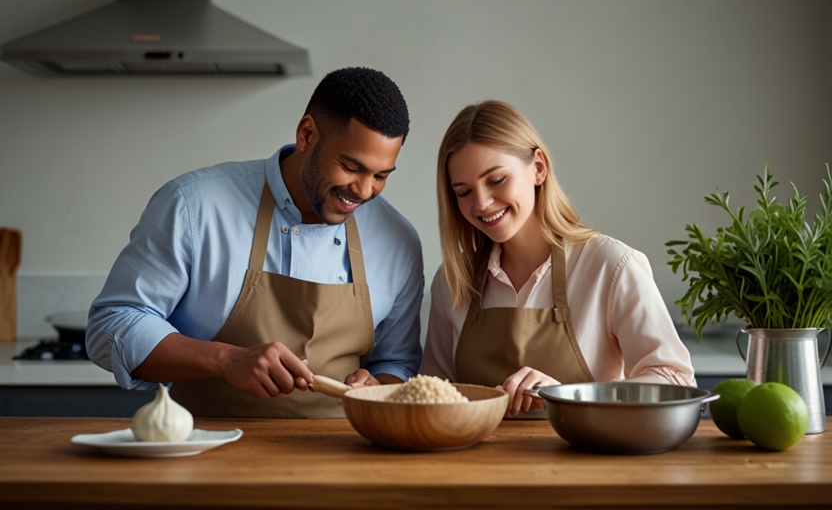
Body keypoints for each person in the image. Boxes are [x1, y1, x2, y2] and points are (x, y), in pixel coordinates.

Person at [86, 67, 424, 418]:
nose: (365, 190)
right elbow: (112, 325)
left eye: (381, 175)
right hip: (205, 455)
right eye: (351, 167)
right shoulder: (193, 205)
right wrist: (227, 359)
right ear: (306, 134)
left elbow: (397, 362)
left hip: (343, 461)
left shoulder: (397, 240)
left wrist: (379, 386)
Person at [421, 100, 694, 418]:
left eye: (496, 181)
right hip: (473, 465)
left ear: (538, 168)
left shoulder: (611, 266)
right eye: (463, 191)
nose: (481, 203)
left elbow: (677, 382)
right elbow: (432, 395)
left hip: (585, 463)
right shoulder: (453, 281)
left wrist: (570, 396)